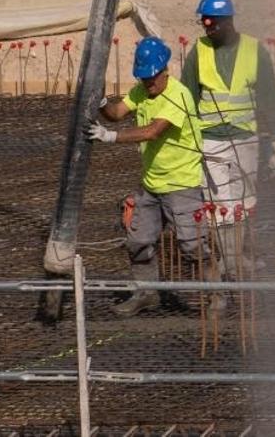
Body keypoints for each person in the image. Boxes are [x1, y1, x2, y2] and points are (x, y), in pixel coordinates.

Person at [88, 37, 216, 317]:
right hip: (151, 183)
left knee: (193, 244)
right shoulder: (142, 91)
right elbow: (116, 113)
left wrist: (110, 138)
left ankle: (216, 296)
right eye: (143, 78)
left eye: (151, 77)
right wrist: (100, 101)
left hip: (182, 183)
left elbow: (152, 131)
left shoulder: (178, 95)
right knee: (138, 240)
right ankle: (147, 293)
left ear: (164, 71)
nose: (148, 83)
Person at [181, 0, 275, 277]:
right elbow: (187, 98)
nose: (206, 27)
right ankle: (230, 263)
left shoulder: (255, 51)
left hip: (245, 140)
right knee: (219, 205)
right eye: (203, 23)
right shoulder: (198, 51)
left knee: (244, 200)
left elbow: (269, 97)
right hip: (210, 140)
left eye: (211, 22)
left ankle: (241, 256)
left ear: (227, 21)